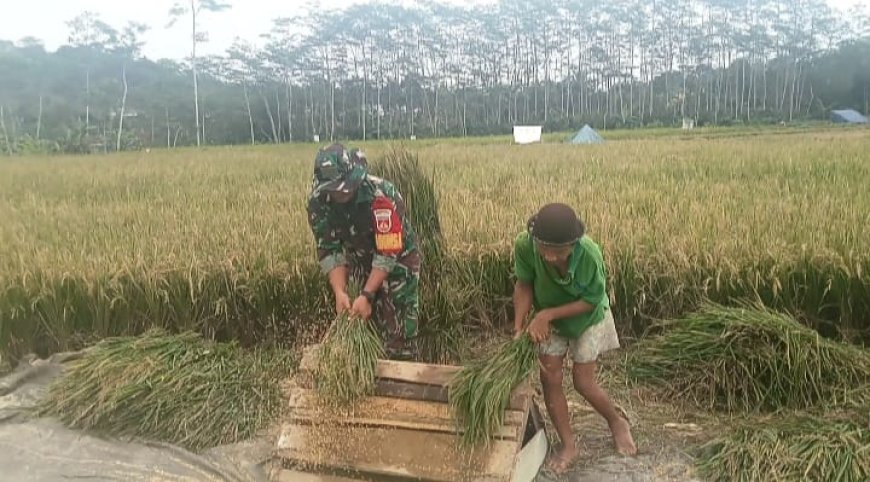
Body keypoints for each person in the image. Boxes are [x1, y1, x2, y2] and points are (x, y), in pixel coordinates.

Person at [512, 202, 636, 475]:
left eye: (557, 251)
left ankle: (617, 422)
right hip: (549, 320)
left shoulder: (589, 255)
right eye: (543, 248)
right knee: (550, 377)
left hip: (586, 319)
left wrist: (546, 314)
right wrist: (520, 327)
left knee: (583, 382)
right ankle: (568, 445)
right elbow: (524, 284)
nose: (549, 257)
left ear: (573, 244)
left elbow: (591, 301)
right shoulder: (525, 245)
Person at [306, 143, 421, 361]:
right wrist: (340, 291)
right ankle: (368, 371)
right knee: (362, 320)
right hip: (359, 258)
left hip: (398, 262)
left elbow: (388, 253)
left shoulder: (381, 196)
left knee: (399, 327)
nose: (339, 196)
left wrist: (367, 294)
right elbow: (329, 249)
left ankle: (402, 368)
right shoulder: (318, 204)